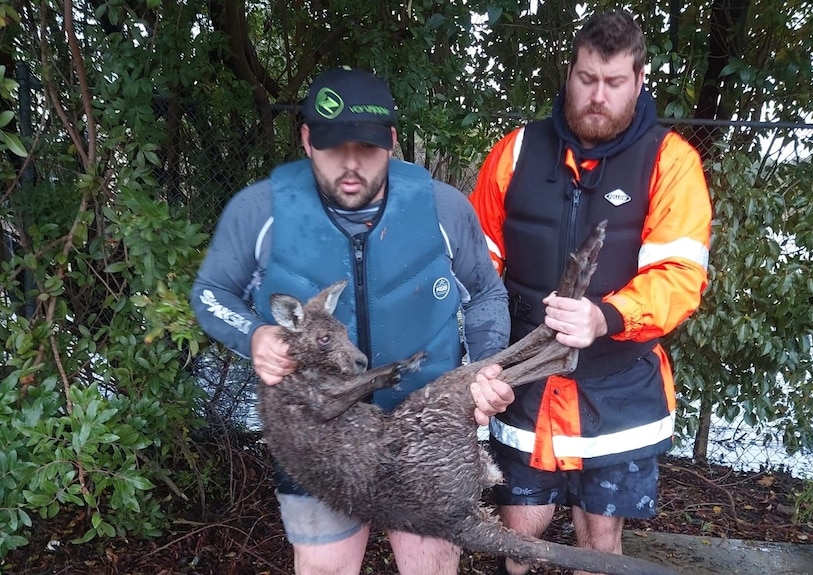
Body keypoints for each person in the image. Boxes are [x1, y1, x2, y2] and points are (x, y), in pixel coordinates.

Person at [190, 66, 514, 575]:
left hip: (426, 426)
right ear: (305, 140)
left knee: (431, 567)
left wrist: (486, 368)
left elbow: (487, 294)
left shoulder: (442, 209)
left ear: (391, 141)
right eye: (332, 147)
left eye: (365, 149)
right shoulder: (260, 212)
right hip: (319, 437)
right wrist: (253, 334)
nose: (349, 165)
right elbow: (211, 292)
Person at [469, 9, 712, 575]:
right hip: (524, 382)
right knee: (517, 541)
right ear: (570, 72)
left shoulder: (671, 161)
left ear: (640, 79)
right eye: (586, 79)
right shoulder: (515, 152)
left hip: (618, 386)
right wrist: (478, 359)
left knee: (598, 547)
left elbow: (679, 274)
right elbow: (476, 271)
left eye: (614, 82)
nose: (597, 95)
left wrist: (607, 316)